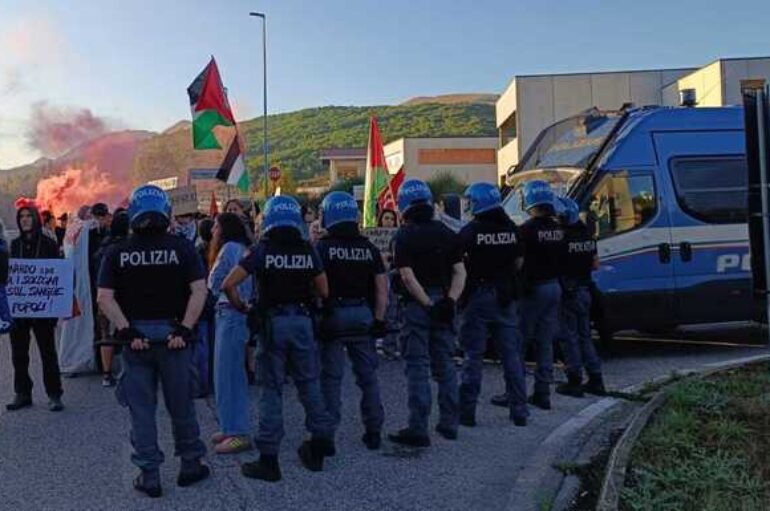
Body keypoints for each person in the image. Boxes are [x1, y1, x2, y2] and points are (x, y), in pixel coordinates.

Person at [97, 185, 209, 498]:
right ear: (166, 212)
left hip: (137, 342)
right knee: (182, 406)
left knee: (142, 411)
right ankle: (190, 465)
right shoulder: (183, 248)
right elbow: (200, 290)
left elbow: (104, 298)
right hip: (174, 338)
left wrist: (127, 331)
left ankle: (149, 475)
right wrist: (185, 329)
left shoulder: (116, 251)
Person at [222, 195, 334, 482]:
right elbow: (323, 290)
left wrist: (242, 306)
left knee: (271, 390)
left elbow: (228, 283)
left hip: (272, 325)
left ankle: (269, 459)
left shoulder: (262, 250)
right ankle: (320, 444)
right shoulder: (308, 249)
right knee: (309, 384)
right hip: (302, 323)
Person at [389, 179, 466, 447]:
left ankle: (418, 428)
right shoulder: (447, 233)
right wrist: (449, 301)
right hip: (445, 302)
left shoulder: (404, 236)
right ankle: (449, 423)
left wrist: (427, 304)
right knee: (445, 365)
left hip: (417, 308)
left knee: (418, 367)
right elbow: (460, 272)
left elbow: (407, 277)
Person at [316, 192, 388, 451]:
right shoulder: (368, 248)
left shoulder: (322, 247)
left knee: (331, 379)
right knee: (368, 378)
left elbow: (316, 285)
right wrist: (379, 319)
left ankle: (327, 436)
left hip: (334, 316)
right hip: (363, 316)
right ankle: (374, 431)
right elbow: (382, 287)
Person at [458, 183, 528, 427]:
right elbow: (519, 262)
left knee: (473, 354)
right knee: (511, 355)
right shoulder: (512, 229)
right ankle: (519, 410)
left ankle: (467, 412)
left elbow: (458, 266)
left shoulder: (469, 232)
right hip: (505, 295)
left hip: (478, 295)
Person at [7, 205, 64, 412]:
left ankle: (54, 394)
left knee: (48, 352)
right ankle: (22, 393)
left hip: (43, 310)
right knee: (19, 354)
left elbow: (58, 277)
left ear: (35, 219)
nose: (24, 220)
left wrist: (58, 307)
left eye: (28, 216)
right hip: (19, 310)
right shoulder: (13, 245)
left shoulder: (49, 244)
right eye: (21, 217)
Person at [207, 213, 254, 454]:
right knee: (223, 375)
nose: (213, 229)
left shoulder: (230, 249)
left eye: (216, 225)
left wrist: (237, 304)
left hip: (231, 314)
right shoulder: (238, 248)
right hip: (229, 314)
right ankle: (229, 426)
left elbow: (225, 283)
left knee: (230, 375)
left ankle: (238, 432)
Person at [517, 180, 565, 410]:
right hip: (554, 286)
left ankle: (514, 391)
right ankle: (542, 392)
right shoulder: (557, 229)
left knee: (520, 341)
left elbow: (519, 263)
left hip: (534, 290)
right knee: (545, 343)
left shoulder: (526, 230)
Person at [554, 197, 606, 397]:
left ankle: (574, 381)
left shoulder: (561, 238)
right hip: (585, 290)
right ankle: (596, 379)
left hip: (568, 291)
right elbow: (595, 265)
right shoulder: (587, 235)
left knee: (569, 338)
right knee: (585, 337)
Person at [94, 210, 130, 387]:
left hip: (105, 298)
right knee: (129, 331)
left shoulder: (103, 248)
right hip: (126, 298)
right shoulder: (130, 248)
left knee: (105, 334)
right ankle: (129, 371)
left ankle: (107, 374)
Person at [89, 202, 112, 369]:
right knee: (101, 327)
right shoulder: (88, 235)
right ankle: (102, 365)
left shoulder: (108, 235)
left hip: (102, 286)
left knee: (105, 327)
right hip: (97, 286)